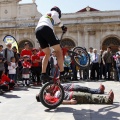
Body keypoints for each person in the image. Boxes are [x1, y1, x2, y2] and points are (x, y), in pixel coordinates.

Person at [35, 6, 67, 83]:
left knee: (47, 53)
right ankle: (62, 72)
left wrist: (55, 40)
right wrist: (62, 27)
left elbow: (50, 33)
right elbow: (55, 16)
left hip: (37, 31)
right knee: (59, 50)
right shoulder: (53, 12)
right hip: (46, 29)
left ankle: (43, 74)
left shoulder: (43, 16)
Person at [36, 84, 114, 104]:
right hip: (70, 96)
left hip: (70, 93)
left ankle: (106, 98)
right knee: (88, 97)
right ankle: (108, 100)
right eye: (40, 94)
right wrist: (69, 102)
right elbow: (58, 101)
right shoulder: (47, 99)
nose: (43, 92)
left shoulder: (47, 96)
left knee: (88, 96)